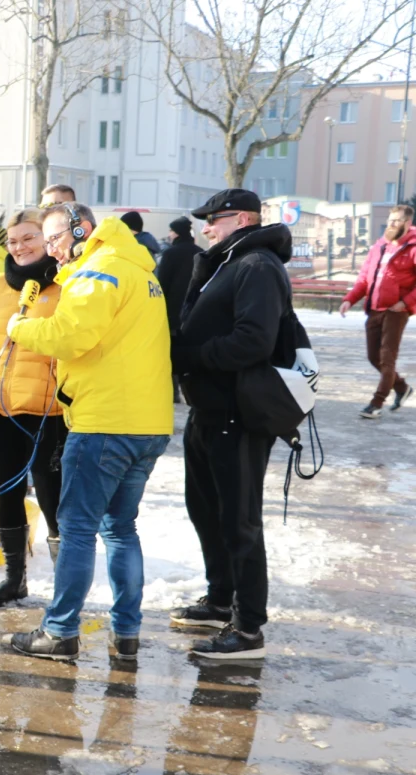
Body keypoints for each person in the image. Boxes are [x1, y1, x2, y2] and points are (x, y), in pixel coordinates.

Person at [1, 203, 173, 662]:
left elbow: (71, 335)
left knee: (77, 530)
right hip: (147, 423)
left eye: (55, 240)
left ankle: (59, 632)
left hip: (105, 424)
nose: (52, 252)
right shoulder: (138, 269)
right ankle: (127, 633)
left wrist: (22, 326)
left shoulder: (97, 272)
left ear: (82, 232)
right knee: (121, 529)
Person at [169, 189, 293, 661]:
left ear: (242, 218)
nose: (205, 228)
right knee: (206, 511)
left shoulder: (257, 265)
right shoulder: (228, 262)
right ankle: (221, 598)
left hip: (237, 416)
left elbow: (254, 341)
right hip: (210, 411)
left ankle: (247, 629)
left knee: (239, 520)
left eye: (213, 220)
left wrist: (193, 357)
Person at [0, 209, 68, 608]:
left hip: (50, 413)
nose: (19, 247)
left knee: (53, 500)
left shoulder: (66, 283)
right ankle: (15, 579)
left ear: (46, 238)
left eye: (28, 238)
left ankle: (66, 588)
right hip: (2, 409)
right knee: (7, 495)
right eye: (12, 241)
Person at [338, 204, 416, 418]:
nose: (391, 223)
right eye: (390, 219)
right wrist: (349, 299)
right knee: (374, 357)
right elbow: (364, 278)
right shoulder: (379, 246)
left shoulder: (413, 247)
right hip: (374, 308)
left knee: (387, 358)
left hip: (396, 311)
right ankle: (401, 387)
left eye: (396, 220)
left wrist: (405, 303)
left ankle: (376, 403)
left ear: (407, 223)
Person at [156, 216, 202, 403]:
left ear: (176, 233)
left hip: (172, 312)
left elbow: (162, 284)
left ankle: (173, 391)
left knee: (170, 353)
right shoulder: (200, 252)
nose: (169, 234)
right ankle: (192, 389)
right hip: (196, 312)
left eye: (171, 231)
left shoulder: (171, 254)